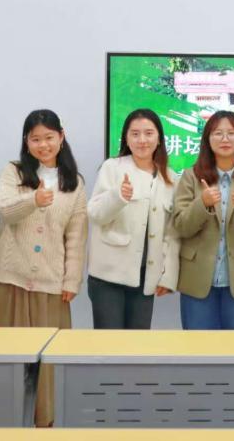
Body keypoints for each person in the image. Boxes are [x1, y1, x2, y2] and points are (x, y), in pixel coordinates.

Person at [0, 109, 87, 427]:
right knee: (9, 355)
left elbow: (76, 237)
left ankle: (45, 422)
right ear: (26, 142)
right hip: (11, 280)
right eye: (35, 139)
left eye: (49, 137)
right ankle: (5, 420)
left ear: (61, 137)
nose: (43, 145)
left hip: (51, 283)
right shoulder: (14, 172)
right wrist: (34, 199)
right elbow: (5, 210)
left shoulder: (75, 183)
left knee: (49, 361)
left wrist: (71, 280)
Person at [173, 110, 234, 329]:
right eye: (218, 133)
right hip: (198, 281)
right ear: (207, 140)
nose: (225, 139)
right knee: (199, 347)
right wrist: (202, 204)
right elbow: (181, 226)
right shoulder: (191, 177)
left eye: (232, 133)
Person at [87, 108, 179, 329]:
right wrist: (118, 197)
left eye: (149, 133)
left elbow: (172, 234)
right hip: (108, 276)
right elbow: (95, 214)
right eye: (135, 134)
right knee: (109, 344)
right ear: (126, 139)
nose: (142, 140)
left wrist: (168, 276)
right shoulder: (112, 167)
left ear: (159, 138)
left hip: (146, 278)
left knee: (137, 344)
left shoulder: (170, 177)